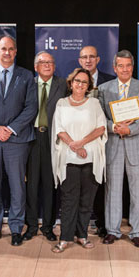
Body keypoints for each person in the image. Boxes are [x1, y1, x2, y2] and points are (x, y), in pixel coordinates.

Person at [0, 36, 37, 246]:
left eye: (11, 49)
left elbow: (31, 107)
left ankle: (16, 228)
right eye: (3, 49)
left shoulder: (26, 76)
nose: (7, 52)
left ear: (16, 51)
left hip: (16, 140)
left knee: (17, 186)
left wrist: (10, 129)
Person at [98, 50, 139, 247]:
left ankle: (138, 232)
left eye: (128, 66)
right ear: (114, 68)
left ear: (133, 67)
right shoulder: (103, 89)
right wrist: (114, 127)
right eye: (120, 66)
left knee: (138, 192)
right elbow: (98, 118)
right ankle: (112, 230)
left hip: (137, 146)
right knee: (112, 191)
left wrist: (129, 129)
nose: (124, 69)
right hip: (112, 146)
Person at [51, 68, 107, 253]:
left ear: (88, 86)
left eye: (84, 82)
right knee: (68, 200)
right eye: (77, 81)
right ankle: (65, 237)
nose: (80, 84)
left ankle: (82, 235)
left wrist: (82, 143)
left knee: (86, 201)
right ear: (71, 82)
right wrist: (74, 146)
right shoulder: (61, 103)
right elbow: (59, 128)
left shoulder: (94, 103)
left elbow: (101, 128)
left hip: (91, 159)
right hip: (69, 160)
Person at [24, 52, 66, 241]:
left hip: (53, 138)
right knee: (31, 185)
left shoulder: (63, 85)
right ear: (35, 66)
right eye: (42, 62)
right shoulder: (27, 84)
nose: (47, 65)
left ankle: (48, 227)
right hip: (31, 138)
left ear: (54, 66)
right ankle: (31, 226)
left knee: (50, 185)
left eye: (50, 62)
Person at [79, 45, 115, 237]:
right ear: (79, 60)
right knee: (81, 183)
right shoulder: (74, 81)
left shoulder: (110, 81)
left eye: (92, 56)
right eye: (84, 57)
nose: (88, 60)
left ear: (98, 59)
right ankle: (80, 224)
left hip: (104, 140)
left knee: (101, 183)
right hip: (80, 143)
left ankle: (102, 223)